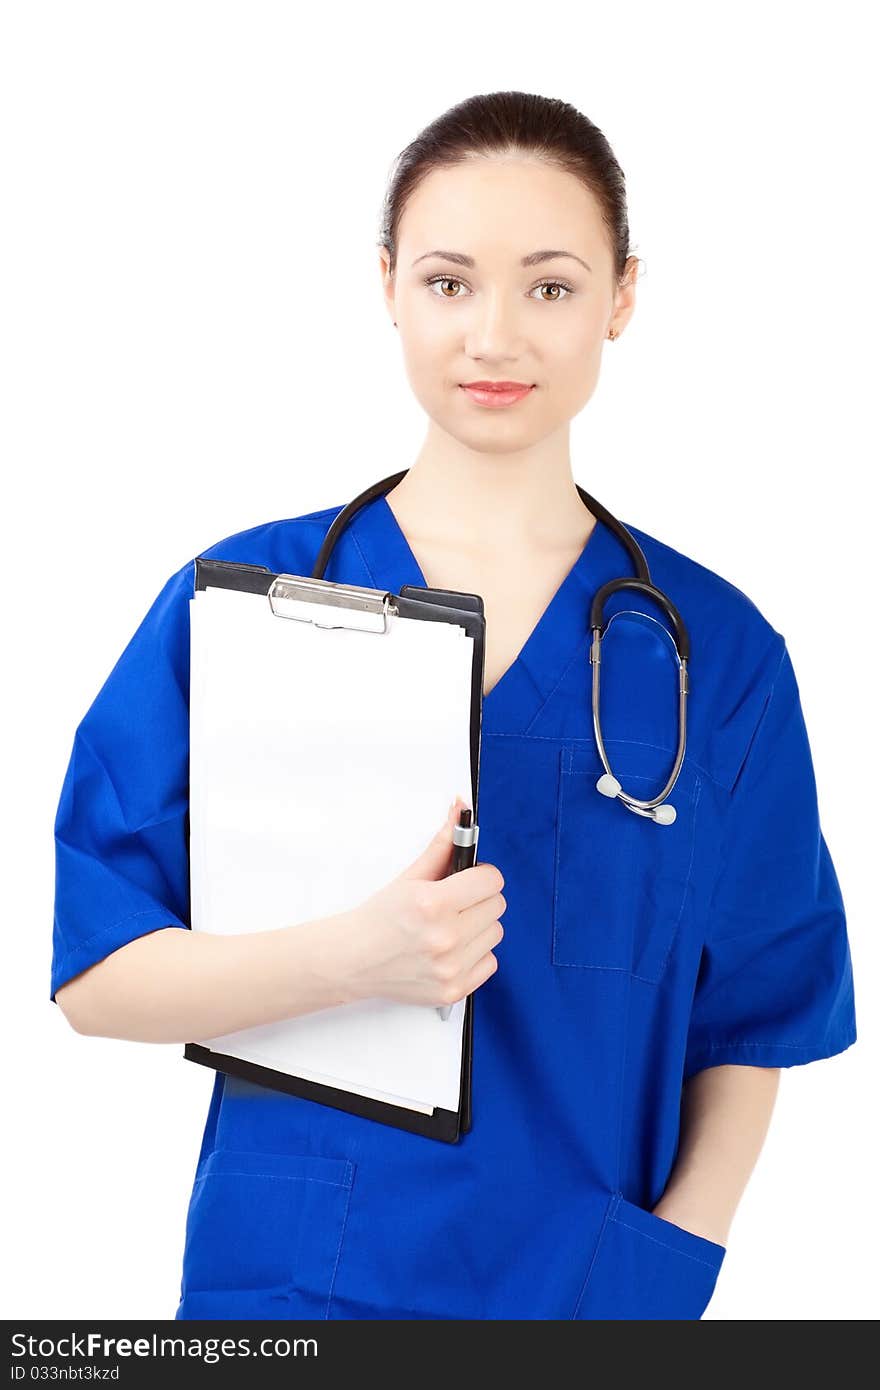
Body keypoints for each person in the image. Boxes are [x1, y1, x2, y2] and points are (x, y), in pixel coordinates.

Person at [50, 90, 857, 1322]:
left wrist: (670, 1258)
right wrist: (348, 959)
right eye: (446, 282)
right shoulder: (243, 609)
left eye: (548, 286)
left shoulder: (717, 654)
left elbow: (751, 1011)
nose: (495, 337)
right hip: (292, 1284)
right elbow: (99, 975)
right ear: (386, 286)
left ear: (621, 298)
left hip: (588, 1291)